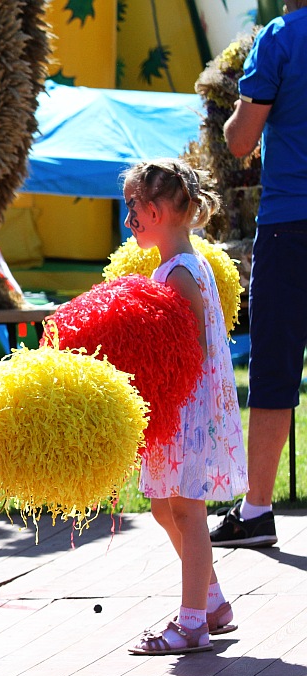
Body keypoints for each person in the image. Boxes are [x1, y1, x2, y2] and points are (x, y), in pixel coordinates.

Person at [121, 160, 248, 655]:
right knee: (163, 506)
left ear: (152, 211)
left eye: (132, 211)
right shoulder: (175, 267)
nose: (129, 221)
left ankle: (192, 621)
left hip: (188, 412)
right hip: (179, 409)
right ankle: (213, 601)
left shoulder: (181, 273)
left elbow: (189, 347)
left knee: (188, 513)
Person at [213, 0, 307, 549]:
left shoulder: (278, 37)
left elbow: (240, 141)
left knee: (274, 368)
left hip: (290, 225)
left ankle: (257, 510)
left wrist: (234, 109)